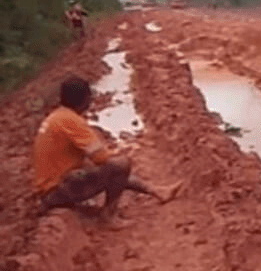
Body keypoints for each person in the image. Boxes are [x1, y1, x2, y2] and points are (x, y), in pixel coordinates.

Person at [33, 75, 182, 223]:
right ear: (84, 99)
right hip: (57, 191)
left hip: (51, 189)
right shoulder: (72, 121)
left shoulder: (58, 117)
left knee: (109, 169)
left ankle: (157, 191)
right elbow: (101, 157)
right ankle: (109, 216)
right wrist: (118, 155)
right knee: (120, 165)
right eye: (90, 96)